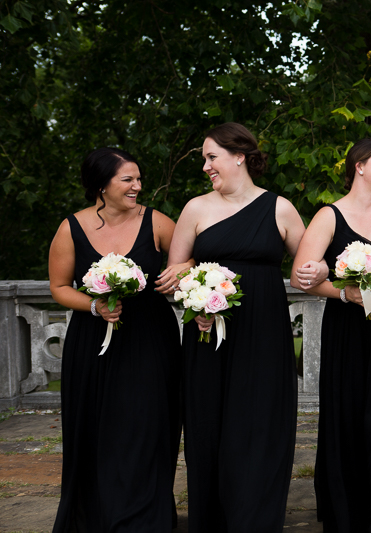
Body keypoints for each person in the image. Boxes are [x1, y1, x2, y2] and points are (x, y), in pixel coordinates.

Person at [168, 122, 325, 532]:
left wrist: (322, 268)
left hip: (264, 334)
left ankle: (255, 518)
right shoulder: (195, 209)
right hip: (206, 332)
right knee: (209, 424)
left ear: (239, 156)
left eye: (211, 157)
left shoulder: (280, 208)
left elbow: (310, 262)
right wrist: (194, 300)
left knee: (260, 423)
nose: (205, 166)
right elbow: (175, 269)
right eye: (204, 159)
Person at [290, 138, 371, 532]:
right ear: (359, 166)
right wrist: (339, 290)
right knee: (347, 418)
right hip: (346, 330)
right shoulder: (329, 216)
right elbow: (303, 273)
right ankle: (349, 515)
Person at [50, 148, 185, 531]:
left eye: (138, 179)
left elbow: (189, 257)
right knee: (97, 428)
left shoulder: (156, 222)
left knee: (147, 423)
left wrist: (179, 271)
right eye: (128, 179)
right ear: (101, 185)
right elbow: (59, 287)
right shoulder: (70, 228)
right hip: (93, 342)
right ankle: (97, 515)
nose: (137, 186)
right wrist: (94, 306)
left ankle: (146, 516)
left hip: (150, 339)